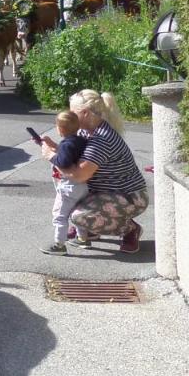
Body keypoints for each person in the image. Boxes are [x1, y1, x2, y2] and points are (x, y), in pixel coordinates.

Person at [40, 89, 148, 253]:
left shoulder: (101, 139)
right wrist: (56, 149)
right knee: (73, 201)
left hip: (130, 196)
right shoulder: (85, 131)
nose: (69, 115)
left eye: (72, 111)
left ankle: (130, 229)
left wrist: (51, 157)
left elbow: (78, 175)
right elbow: (72, 157)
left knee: (78, 216)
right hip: (104, 192)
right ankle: (91, 229)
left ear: (84, 113)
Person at [39, 110, 89, 256]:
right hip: (82, 185)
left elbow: (64, 161)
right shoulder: (79, 141)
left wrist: (51, 156)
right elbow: (68, 153)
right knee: (77, 213)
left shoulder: (67, 145)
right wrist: (53, 145)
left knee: (60, 215)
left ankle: (59, 244)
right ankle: (83, 239)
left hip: (69, 186)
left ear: (60, 129)